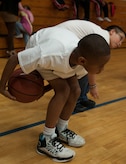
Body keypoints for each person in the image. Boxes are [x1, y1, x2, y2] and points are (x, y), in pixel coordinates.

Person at [0, 27, 110, 162]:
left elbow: (62, 73)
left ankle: (61, 129)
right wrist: (2, 87)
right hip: (39, 44)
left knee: (75, 90)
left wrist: (44, 89)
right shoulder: (49, 54)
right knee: (63, 91)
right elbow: (14, 59)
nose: (102, 69)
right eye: (101, 66)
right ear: (82, 61)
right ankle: (45, 140)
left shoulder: (81, 63)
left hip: (61, 50)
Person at [56, 20, 126, 112]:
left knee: (83, 68)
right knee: (85, 67)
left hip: (63, 39)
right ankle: (74, 101)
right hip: (59, 41)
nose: (120, 43)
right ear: (112, 32)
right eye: (120, 38)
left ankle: (81, 98)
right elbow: (92, 67)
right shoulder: (102, 37)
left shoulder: (99, 35)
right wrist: (93, 86)